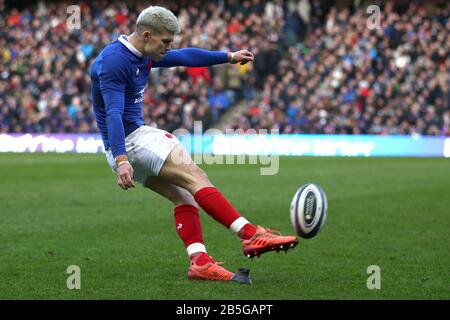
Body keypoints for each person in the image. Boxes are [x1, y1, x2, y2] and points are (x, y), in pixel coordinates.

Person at [90, 6, 298, 283]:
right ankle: (250, 235)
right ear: (148, 35)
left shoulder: (141, 52)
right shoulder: (115, 61)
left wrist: (228, 56)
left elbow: (184, 56)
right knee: (196, 176)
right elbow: (114, 113)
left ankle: (199, 262)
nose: (169, 47)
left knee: (184, 196)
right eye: (165, 42)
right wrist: (122, 159)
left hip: (123, 146)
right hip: (130, 141)